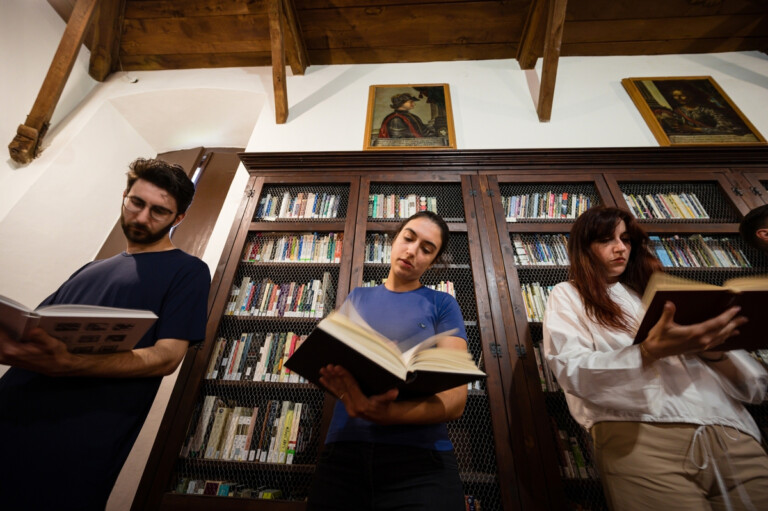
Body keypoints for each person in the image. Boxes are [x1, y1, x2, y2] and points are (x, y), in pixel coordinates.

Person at [0, 158, 211, 510]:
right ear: (124, 196)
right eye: (137, 203)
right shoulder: (91, 268)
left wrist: (70, 364)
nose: (142, 217)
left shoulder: (188, 271)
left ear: (178, 219)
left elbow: (168, 357)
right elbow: (32, 330)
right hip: (12, 412)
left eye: (159, 211)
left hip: (77, 439)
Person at [542, 206, 768, 511]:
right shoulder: (568, 294)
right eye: (606, 240)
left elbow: (754, 387)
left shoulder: (663, 292)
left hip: (734, 435)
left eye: (626, 239)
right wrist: (648, 351)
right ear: (584, 248)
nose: (620, 247)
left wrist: (712, 351)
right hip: (643, 438)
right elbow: (573, 370)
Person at [307, 211, 469, 511]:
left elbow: (456, 399)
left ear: (433, 262)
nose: (412, 251)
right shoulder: (357, 297)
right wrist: (345, 391)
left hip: (420, 462)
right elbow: (326, 367)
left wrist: (389, 414)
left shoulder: (442, 304)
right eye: (408, 238)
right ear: (394, 240)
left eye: (426, 249)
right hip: (344, 455)